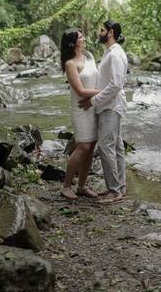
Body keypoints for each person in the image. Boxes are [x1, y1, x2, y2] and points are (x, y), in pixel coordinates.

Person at [79, 20, 128, 204]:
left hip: (110, 106)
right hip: (111, 105)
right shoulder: (110, 52)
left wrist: (94, 101)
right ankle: (120, 187)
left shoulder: (115, 54)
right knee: (116, 147)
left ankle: (114, 191)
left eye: (102, 30)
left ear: (111, 32)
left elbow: (115, 84)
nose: (99, 32)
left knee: (106, 147)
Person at [59, 28, 101, 200]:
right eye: (80, 37)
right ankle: (66, 186)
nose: (84, 39)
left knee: (91, 148)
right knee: (82, 147)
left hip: (93, 106)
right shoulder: (70, 64)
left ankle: (82, 186)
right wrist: (104, 92)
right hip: (81, 109)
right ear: (73, 43)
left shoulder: (89, 56)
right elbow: (80, 90)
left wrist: (98, 97)